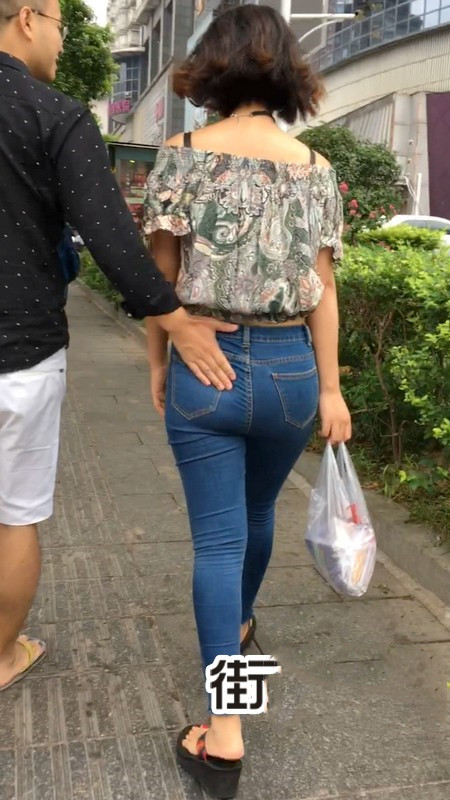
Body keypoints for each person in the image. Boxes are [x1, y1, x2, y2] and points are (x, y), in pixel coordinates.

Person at [144, 4, 352, 797]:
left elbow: (162, 278)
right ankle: (236, 628)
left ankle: (225, 733)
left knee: (217, 543)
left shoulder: (182, 153)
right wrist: (330, 388)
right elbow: (324, 288)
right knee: (258, 517)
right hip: (292, 373)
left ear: (213, 65)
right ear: (287, 69)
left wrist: (159, 362)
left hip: (208, 366)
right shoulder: (315, 166)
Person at [0, 0, 238, 693]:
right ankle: (3, 656)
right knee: (13, 516)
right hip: (19, 351)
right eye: (61, 26)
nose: (58, 41)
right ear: (27, 19)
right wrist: (176, 321)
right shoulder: (52, 113)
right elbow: (109, 235)